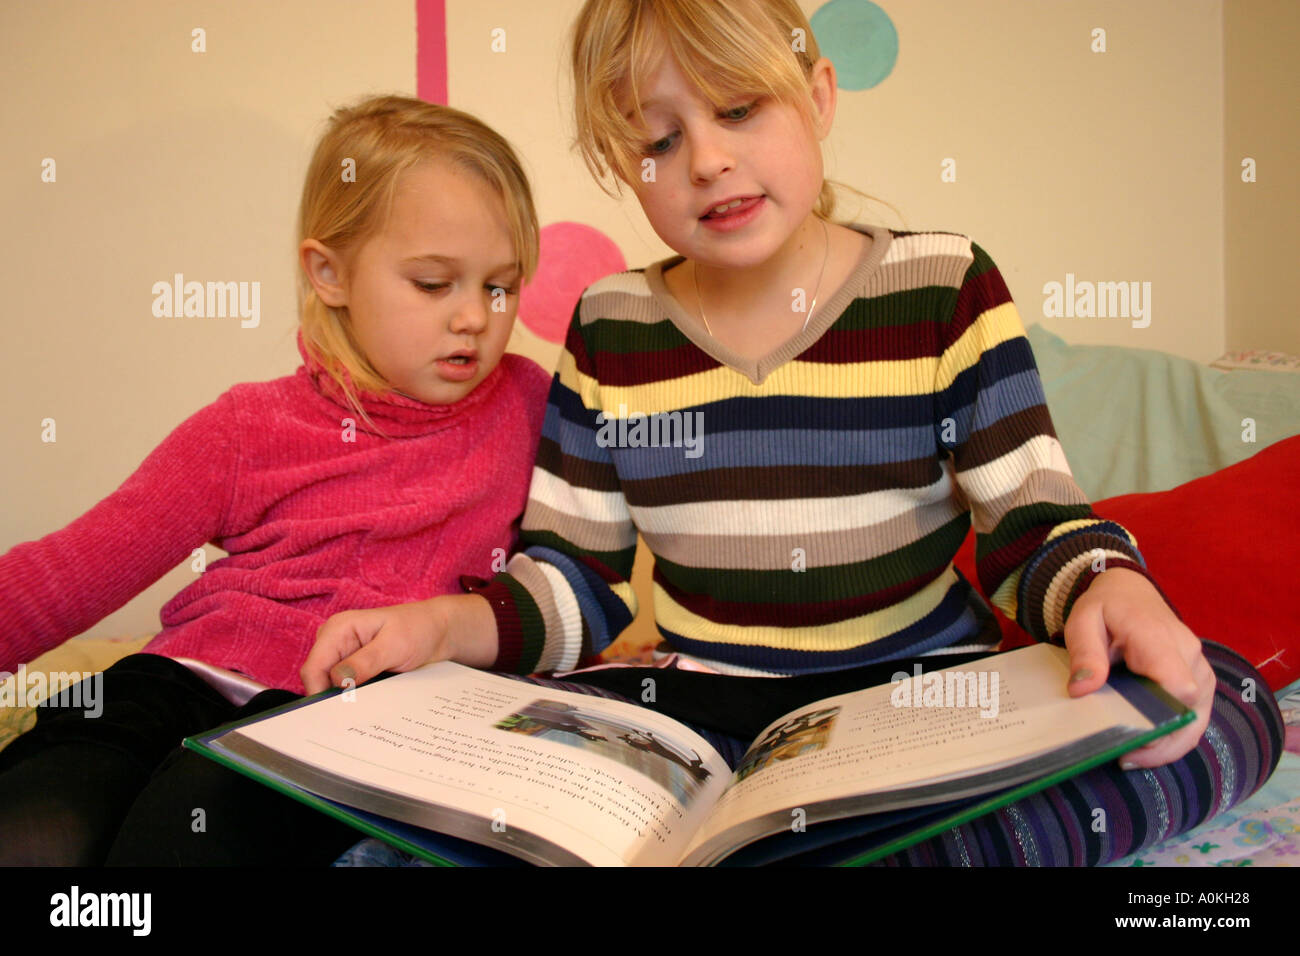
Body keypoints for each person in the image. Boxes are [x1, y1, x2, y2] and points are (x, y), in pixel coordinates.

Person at [308, 1, 1284, 866]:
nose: (708, 159)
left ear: (815, 94)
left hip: (924, 697)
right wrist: (439, 624)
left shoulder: (944, 283)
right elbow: (574, 582)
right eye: (657, 140)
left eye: (739, 109)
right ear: (621, 164)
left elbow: (1032, 528)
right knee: (406, 828)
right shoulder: (610, 325)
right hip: (700, 711)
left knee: (1226, 703)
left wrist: (1109, 582)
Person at [0, 94, 551, 865]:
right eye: (433, 284)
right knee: (36, 832)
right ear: (328, 274)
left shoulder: (531, 408)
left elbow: (571, 578)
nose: (474, 317)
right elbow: (67, 573)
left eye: (500, 285)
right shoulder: (248, 427)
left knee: (178, 848)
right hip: (175, 682)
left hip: (335, 723)